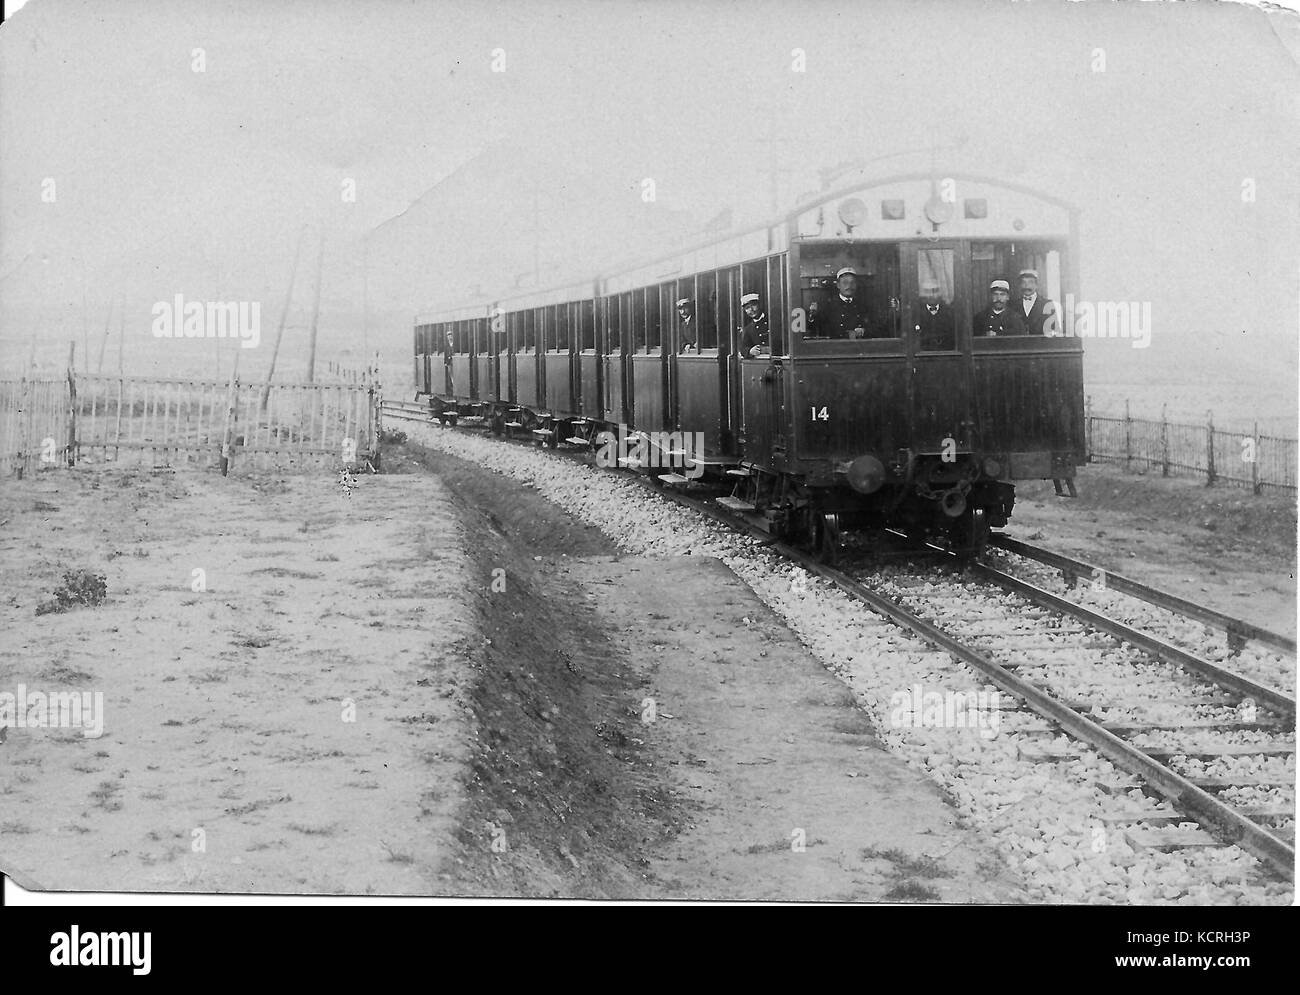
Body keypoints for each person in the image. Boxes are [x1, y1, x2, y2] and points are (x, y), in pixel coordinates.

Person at [809, 267, 872, 339]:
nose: (849, 286)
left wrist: (864, 331)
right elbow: (820, 330)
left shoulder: (863, 305)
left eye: (852, 282)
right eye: (845, 282)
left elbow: (874, 328)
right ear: (838, 285)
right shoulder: (827, 306)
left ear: (856, 285)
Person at [1007, 269, 1060, 336]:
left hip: (1040, 345)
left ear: (1036, 285)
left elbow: (1054, 330)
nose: (1027, 286)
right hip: (1019, 345)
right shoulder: (1012, 305)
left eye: (1030, 282)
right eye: (1023, 282)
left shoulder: (1048, 304)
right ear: (1020, 285)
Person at [914, 279, 955, 350]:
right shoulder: (916, 313)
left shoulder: (950, 312)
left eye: (935, 291)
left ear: (940, 293)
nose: (932, 295)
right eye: (927, 291)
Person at [737, 293, 780, 357]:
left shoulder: (773, 321)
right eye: (747, 308)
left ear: (759, 305)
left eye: (753, 306)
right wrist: (750, 351)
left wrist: (769, 349)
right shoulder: (748, 329)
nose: (751, 310)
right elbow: (743, 348)